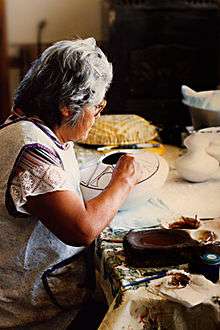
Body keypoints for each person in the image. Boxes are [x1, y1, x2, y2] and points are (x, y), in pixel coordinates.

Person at [0, 37, 142, 328]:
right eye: (97, 107)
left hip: (50, 293)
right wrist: (123, 181)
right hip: (28, 313)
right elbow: (82, 230)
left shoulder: (33, 127)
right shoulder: (31, 149)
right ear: (67, 106)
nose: (97, 116)